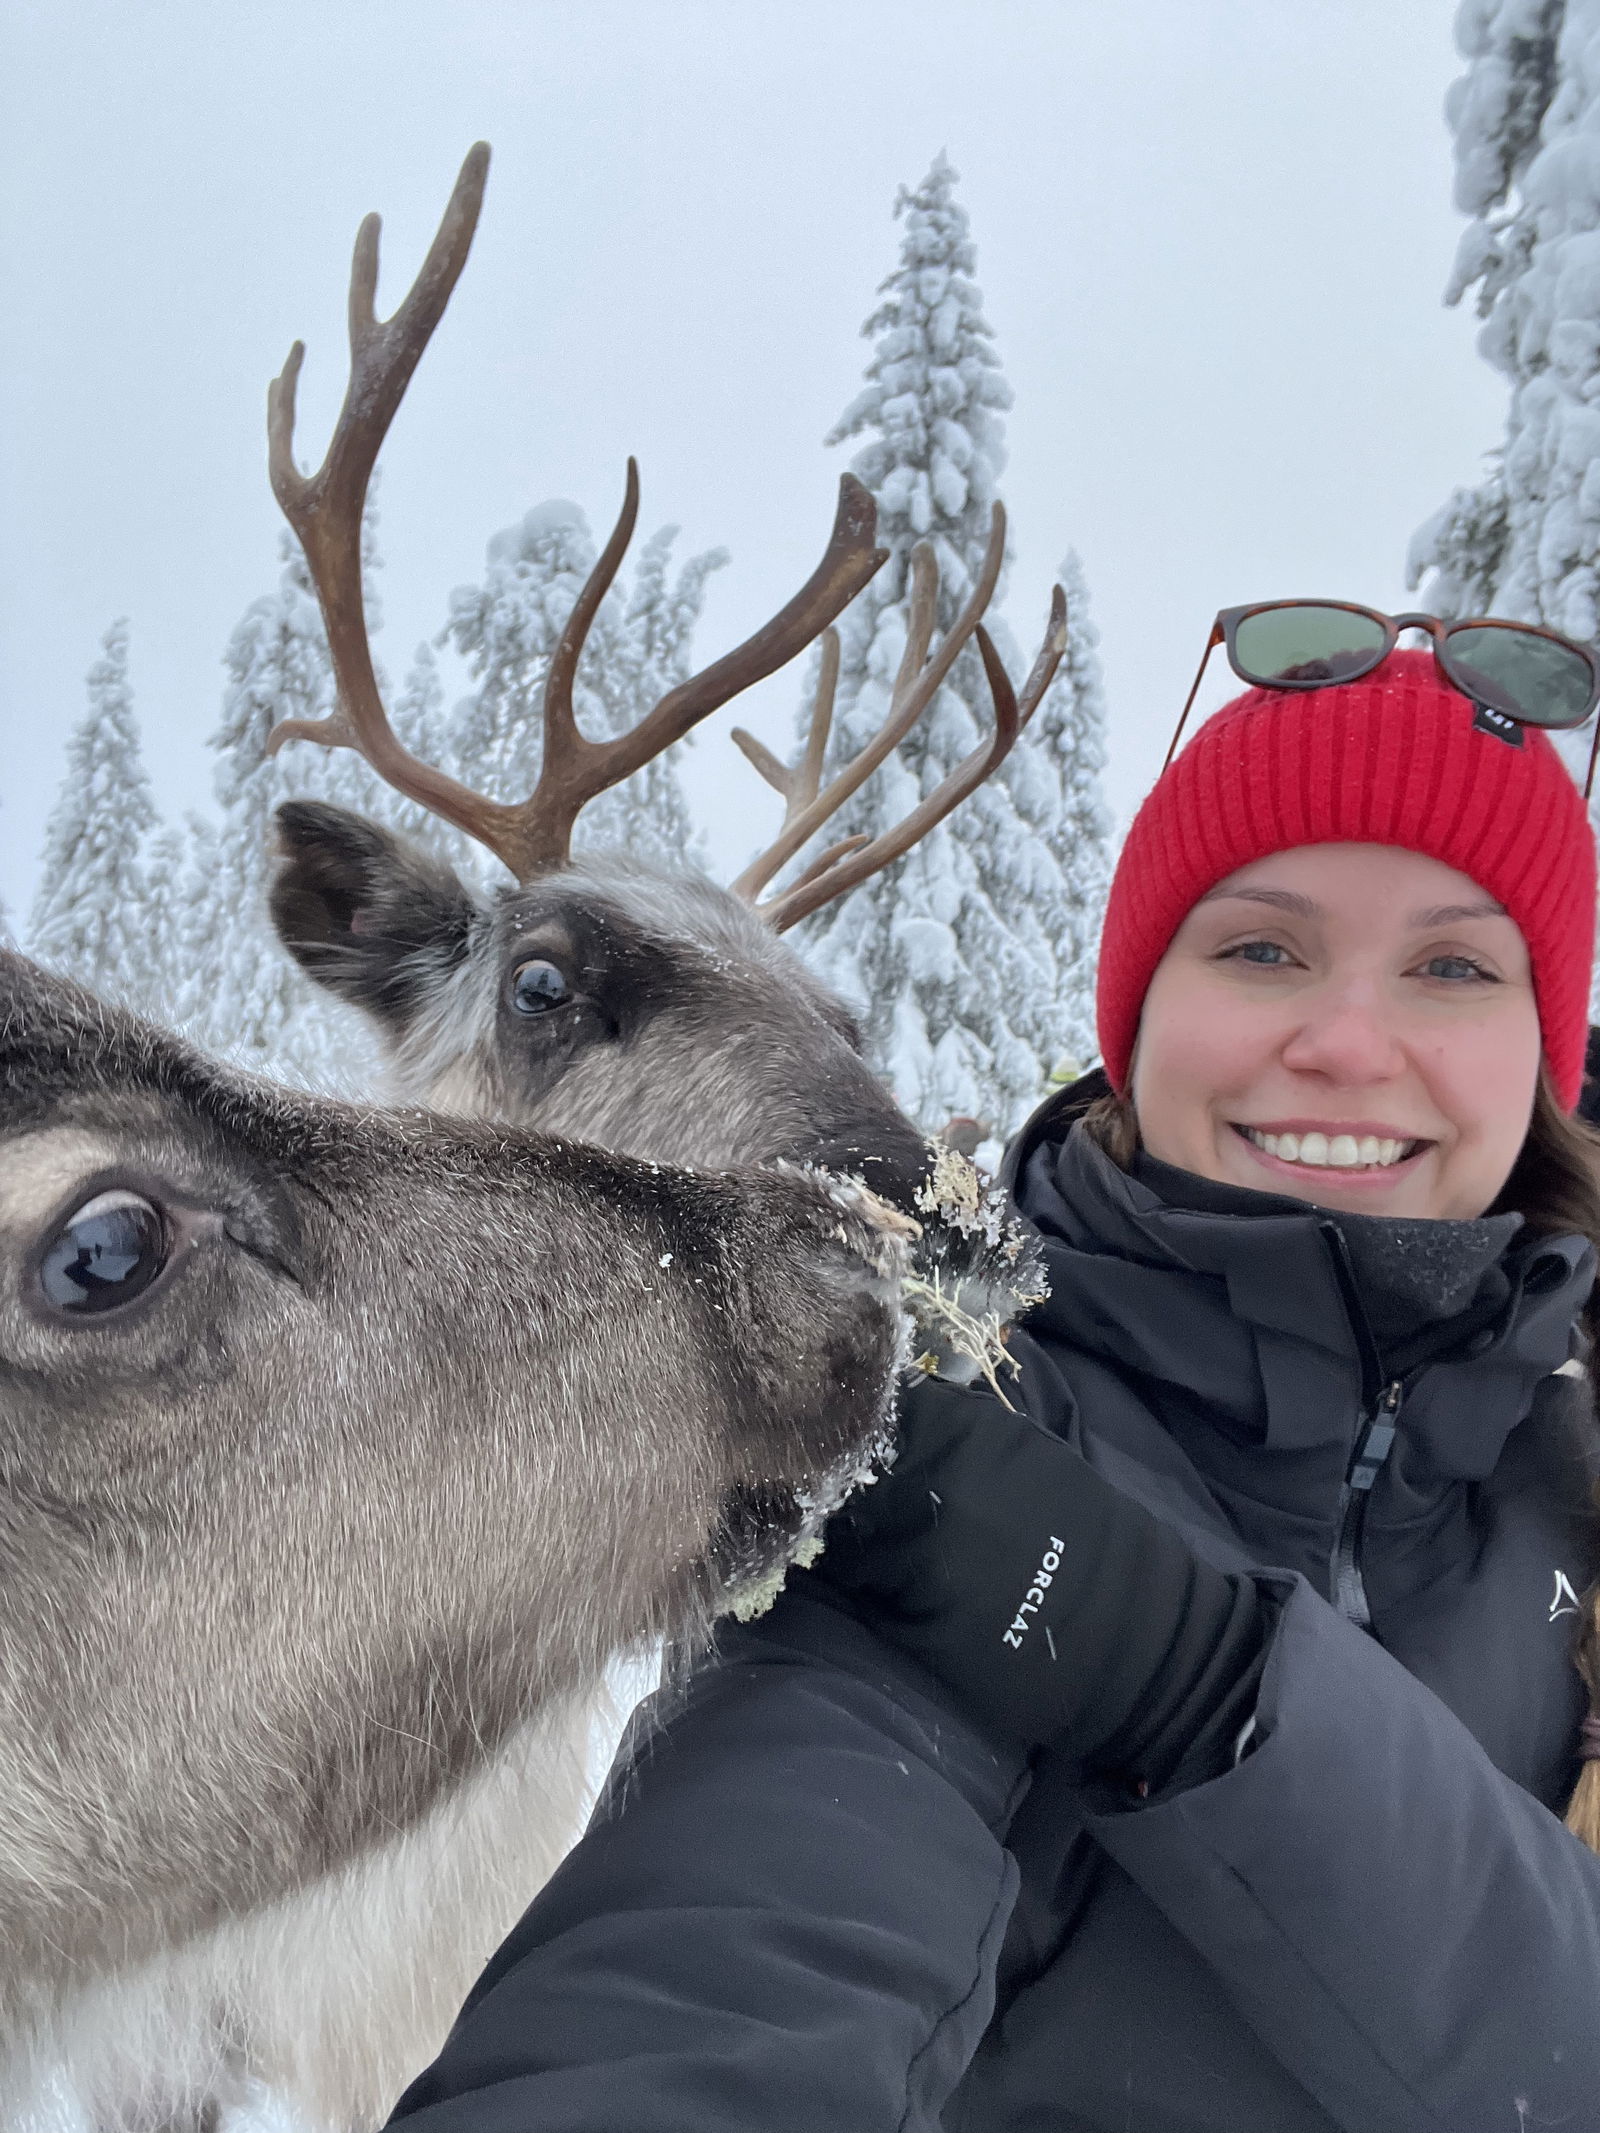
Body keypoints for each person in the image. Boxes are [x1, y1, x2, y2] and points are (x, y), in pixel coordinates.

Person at [386, 639, 1600, 2132]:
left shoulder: (1583, 1468)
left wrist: (1199, 1675)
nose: (1347, 1042)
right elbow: (743, 1927)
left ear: (1549, 1048)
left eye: (1455, 965)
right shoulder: (967, 1434)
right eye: (1264, 948)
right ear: (1135, 1021)